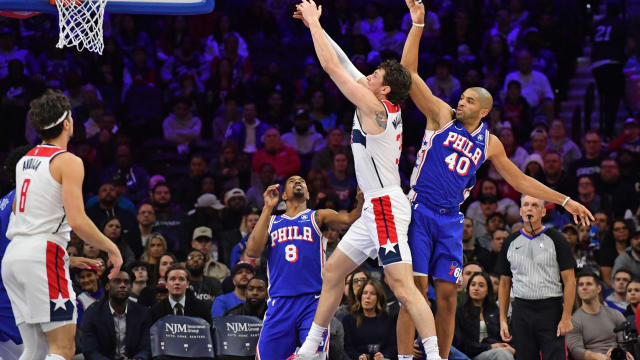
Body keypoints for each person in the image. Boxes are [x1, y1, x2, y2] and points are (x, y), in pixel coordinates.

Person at [397, 2, 593, 359]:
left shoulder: (491, 143)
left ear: (483, 111)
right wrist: (418, 25)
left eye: (469, 100)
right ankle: (405, 357)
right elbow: (408, 74)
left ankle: (439, 357)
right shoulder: (440, 115)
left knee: (447, 297)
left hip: (451, 219)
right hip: (420, 210)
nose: (461, 101)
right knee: (415, 289)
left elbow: (521, 181)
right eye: (462, 96)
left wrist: (564, 200)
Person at [293, 2, 442, 358]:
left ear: (385, 90)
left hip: (387, 207)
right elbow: (343, 61)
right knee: (332, 272)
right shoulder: (380, 100)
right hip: (374, 209)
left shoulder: (375, 109)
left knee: (403, 288)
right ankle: (311, 349)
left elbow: (331, 67)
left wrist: (313, 22)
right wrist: (318, 27)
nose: (367, 76)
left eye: (374, 76)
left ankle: (435, 356)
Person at [1, 89, 123, 360]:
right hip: (42, 255)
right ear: (67, 122)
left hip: (14, 257)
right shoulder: (68, 161)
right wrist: (113, 248)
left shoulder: (25, 160)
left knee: (34, 350)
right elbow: (78, 221)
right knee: (63, 349)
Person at [246, 175, 363, 360]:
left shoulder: (318, 216)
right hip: (280, 302)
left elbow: (348, 219)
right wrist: (267, 207)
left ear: (308, 194)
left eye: (302, 181)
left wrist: (361, 202)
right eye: (292, 181)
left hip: (313, 301)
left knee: (314, 357)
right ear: (284, 195)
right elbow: (252, 251)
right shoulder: (271, 221)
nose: (298, 182)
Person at [497, 195, 576, 359]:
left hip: (551, 309)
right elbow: (504, 284)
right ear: (520, 211)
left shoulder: (557, 239)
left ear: (543, 212)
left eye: (534, 205)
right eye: (525, 205)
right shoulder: (510, 242)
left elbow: (570, 281)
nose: (529, 208)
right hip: (521, 310)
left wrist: (566, 317)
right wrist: (503, 320)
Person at [80, 271, 151, 360]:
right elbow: (90, 350)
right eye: (117, 281)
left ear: (131, 287)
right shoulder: (92, 314)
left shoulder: (143, 313)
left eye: (126, 282)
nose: (122, 285)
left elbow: (147, 347)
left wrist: (140, 358)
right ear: (107, 286)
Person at [566, 271, 630, 360]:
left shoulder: (616, 314)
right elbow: (575, 351)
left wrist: (623, 352)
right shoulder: (573, 321)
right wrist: (595, 356)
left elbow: (625, 343)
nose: (584, 287)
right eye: (581, 285)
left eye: (589, 284)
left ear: (599, 288)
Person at [453, 272, 515, 360]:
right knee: (502, 354)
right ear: (468, 288)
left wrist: (511, 348)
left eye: (481, 285)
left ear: (488, 290)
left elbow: (507, 336)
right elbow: (461, 343)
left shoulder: (496, 312)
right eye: (473, 285)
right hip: (471, 356)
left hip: (497, 352)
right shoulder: (459, 313)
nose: (476, 288)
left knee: (505, 353)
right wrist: (489, 347)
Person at [342, 279, 398, 360]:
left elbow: (393, 346)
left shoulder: (389, 319)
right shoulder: (348, 320)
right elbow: (347, 347)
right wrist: (358, 357)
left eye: (372, 294)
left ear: (378, 298)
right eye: (364, 293)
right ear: (360, 296)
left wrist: (384, 356)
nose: (367, 297)